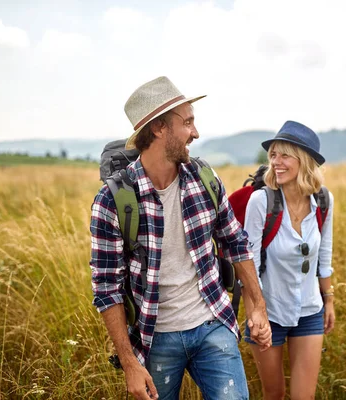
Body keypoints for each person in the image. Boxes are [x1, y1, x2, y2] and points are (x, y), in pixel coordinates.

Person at [90, 76, 271, 400]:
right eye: (187, 122)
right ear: (159, 128)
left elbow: (235, 241)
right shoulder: (112, 201)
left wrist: (258, 306)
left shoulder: (204, 178)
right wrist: (130, 363)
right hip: (154, 338)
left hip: (213, 323)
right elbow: (107, 289)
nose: (196, 132)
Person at [243, 121, 335, 400]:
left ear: (304, 161)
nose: (276, 162)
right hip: (268, 312)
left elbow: (324, 254)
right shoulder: (261, 201)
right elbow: (246, 263)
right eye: (273, 155)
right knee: (274, 394)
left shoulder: (323, 200)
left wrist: (328, 300)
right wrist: (254, 314)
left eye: (284, 156)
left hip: (310, 311)